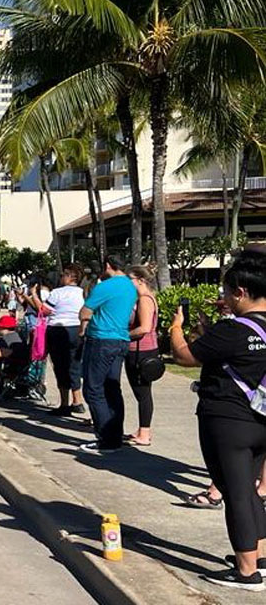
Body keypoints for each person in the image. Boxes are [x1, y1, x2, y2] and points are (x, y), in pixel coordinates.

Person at [169, 247, 266, 591]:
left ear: (241, 292)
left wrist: (177, 327)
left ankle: (245, 572)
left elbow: (184, 357)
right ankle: (259, 557)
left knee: (235, 493)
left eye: (227, 292)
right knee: (252, 490)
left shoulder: (233, 331)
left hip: (228, 419)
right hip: (260, 421)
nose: (224, 298)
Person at [77, 255, 139, 453]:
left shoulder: (105, 285)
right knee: (112, 388)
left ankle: (106, 437)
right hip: (121, 339)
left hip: (102, 339)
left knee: (93, 389)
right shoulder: (130, 286)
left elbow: (85, 311)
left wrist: (86, 319)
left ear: (107, 266)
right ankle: (115, 435)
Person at [40, 265, 86, 417]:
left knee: (60, 365)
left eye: (63, 275)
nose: (61, 278)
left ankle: (65, 403)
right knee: (74, 364)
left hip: (58, 329)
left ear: (69, 276)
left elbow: (44, 310)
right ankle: (77, 400)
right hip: (76, 329)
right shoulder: (82, 293)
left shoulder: (57, 292)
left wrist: (34, 296)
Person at [125, 265, 159, 447]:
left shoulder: (145, 299)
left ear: (140, 280)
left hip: (141, 350)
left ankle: (144, 433)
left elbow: (144, 328)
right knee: (142, 392)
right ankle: (142, 430)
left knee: (143, 392)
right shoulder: (142, 298)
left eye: (129, 279)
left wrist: (123, 335)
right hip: (141, 349)